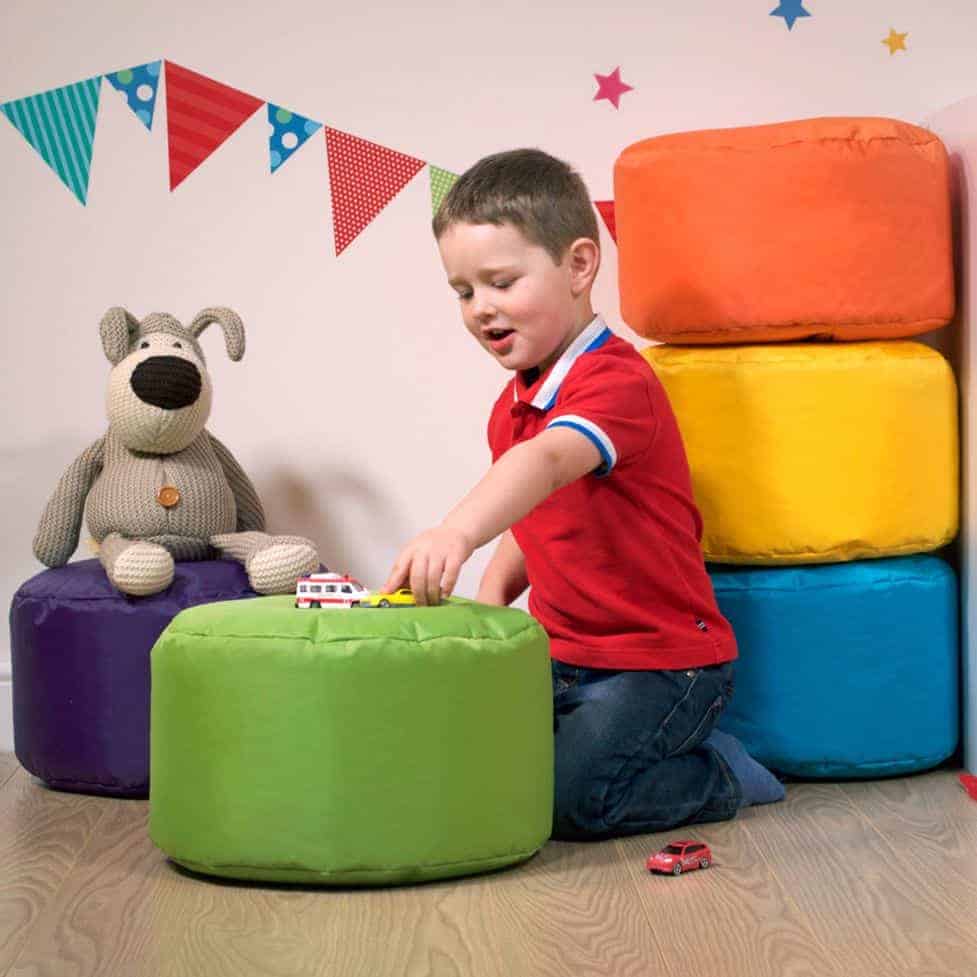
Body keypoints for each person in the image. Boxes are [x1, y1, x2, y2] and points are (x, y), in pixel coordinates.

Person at [383, 148, 783, 840]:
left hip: (661, 666)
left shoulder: (613, 384)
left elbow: (540, 466)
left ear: (577, 266)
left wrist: (454, 532)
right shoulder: (515, 403)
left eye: (501, 282)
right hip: (564, 657)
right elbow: (533, 519)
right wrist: (487, 610)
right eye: (463, 291)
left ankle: (717, 771)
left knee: (570, 801)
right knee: (478, 766)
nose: (481, 309)